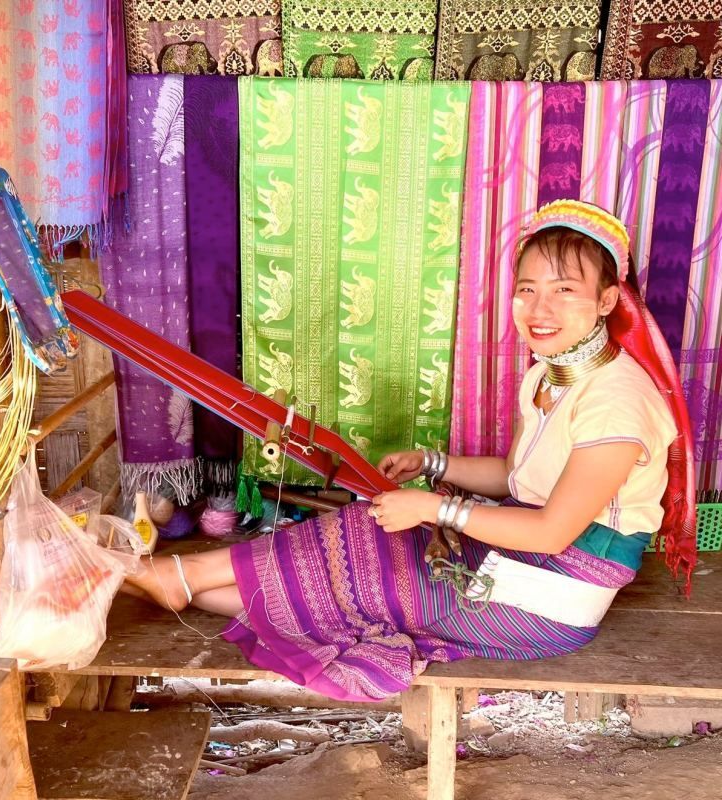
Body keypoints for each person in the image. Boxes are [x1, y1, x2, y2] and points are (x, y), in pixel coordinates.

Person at [125, 200, 696, 702]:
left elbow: (551, 531)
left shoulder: (617, 403)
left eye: (564, 290)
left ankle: (176, 576)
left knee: (375, 563)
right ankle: (182, 581)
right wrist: (433, 465)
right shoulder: (550, 374)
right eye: (527, 289)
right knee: (369, 534)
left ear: (606, 301)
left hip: (557, 592)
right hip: (521, 554)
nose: (539, 309)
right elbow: (519, 477)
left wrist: (433, 508)